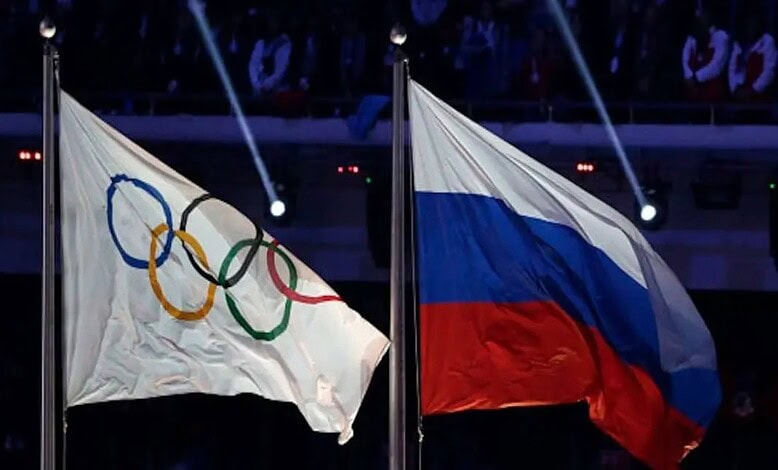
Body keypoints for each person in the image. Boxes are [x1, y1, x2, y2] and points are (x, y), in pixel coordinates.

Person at [682, 8, 729, 102]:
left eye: (703, 15)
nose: (700, 18)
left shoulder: (721, 36)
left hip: (712, 96)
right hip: (693, 94)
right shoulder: (692, 38)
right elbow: (685, 59)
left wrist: (696, 78)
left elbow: (716, 66)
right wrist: (689, 76)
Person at [728, 14, 776, 102]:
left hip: (761, 100)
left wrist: (752, 90)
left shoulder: (767, 41)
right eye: (748, 23)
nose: (750, 26)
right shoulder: (738, 44)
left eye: (753, 23)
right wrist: (735, 89)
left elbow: (769, 71)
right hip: (740, 99)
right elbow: (732, 69)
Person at [248, 16, 292, 97]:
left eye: (274, 22)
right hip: (259, 90)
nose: (271, 25)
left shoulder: (284, 43)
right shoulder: (260, 43)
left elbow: (280, 71)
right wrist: (256, 84)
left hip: (278, 92)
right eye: (269, 22)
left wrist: (266, 85)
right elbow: (253, 65)